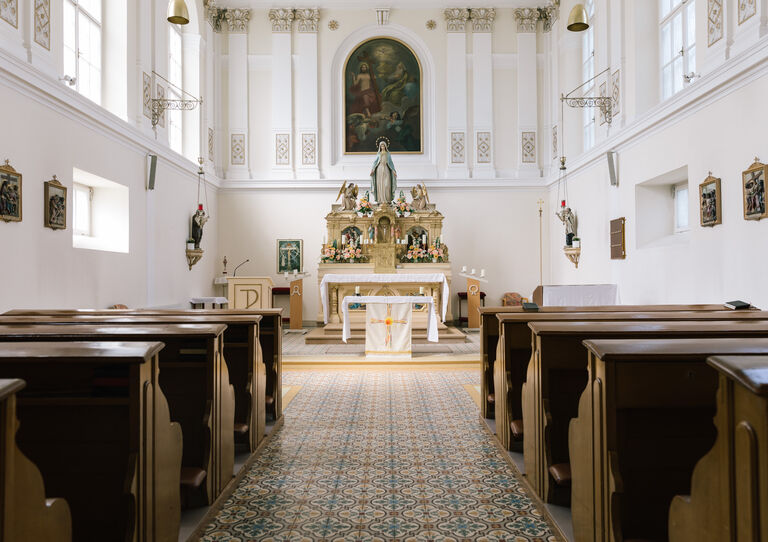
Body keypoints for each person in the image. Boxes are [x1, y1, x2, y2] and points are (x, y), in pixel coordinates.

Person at [369, 139, 397, 205]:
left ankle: (387, 200)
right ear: (379, 147)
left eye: (383, 146)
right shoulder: (378, 154)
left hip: (386, 169)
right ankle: (380, 200)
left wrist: (393, 171)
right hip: (379, 169)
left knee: (387, 184)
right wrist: (372, 170)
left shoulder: (388, 154)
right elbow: (375, 162)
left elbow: (391, 163)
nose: (382, 147)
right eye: (381, 146)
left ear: (385, 146)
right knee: (380, 184)